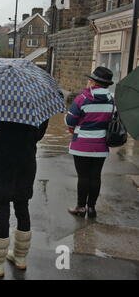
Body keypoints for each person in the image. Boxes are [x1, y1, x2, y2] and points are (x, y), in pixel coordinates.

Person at [0, 120, 48, 277]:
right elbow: (38, 135)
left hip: (2, 161)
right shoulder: (39, 104)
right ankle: (20, 257)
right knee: (22, 206)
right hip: (26, 161)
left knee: (1, 208)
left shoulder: (3, 99)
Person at [65, 67, 115, 219]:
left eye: (90, 79)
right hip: (100, 145)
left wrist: (72, 127)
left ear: (93, 82)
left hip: (81, 145)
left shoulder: (83, 98)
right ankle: (92, 208)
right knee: (95, 176)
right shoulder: (112, 100)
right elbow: (112, 121)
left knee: (83, 176)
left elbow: (70, 120)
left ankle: (80, 207)